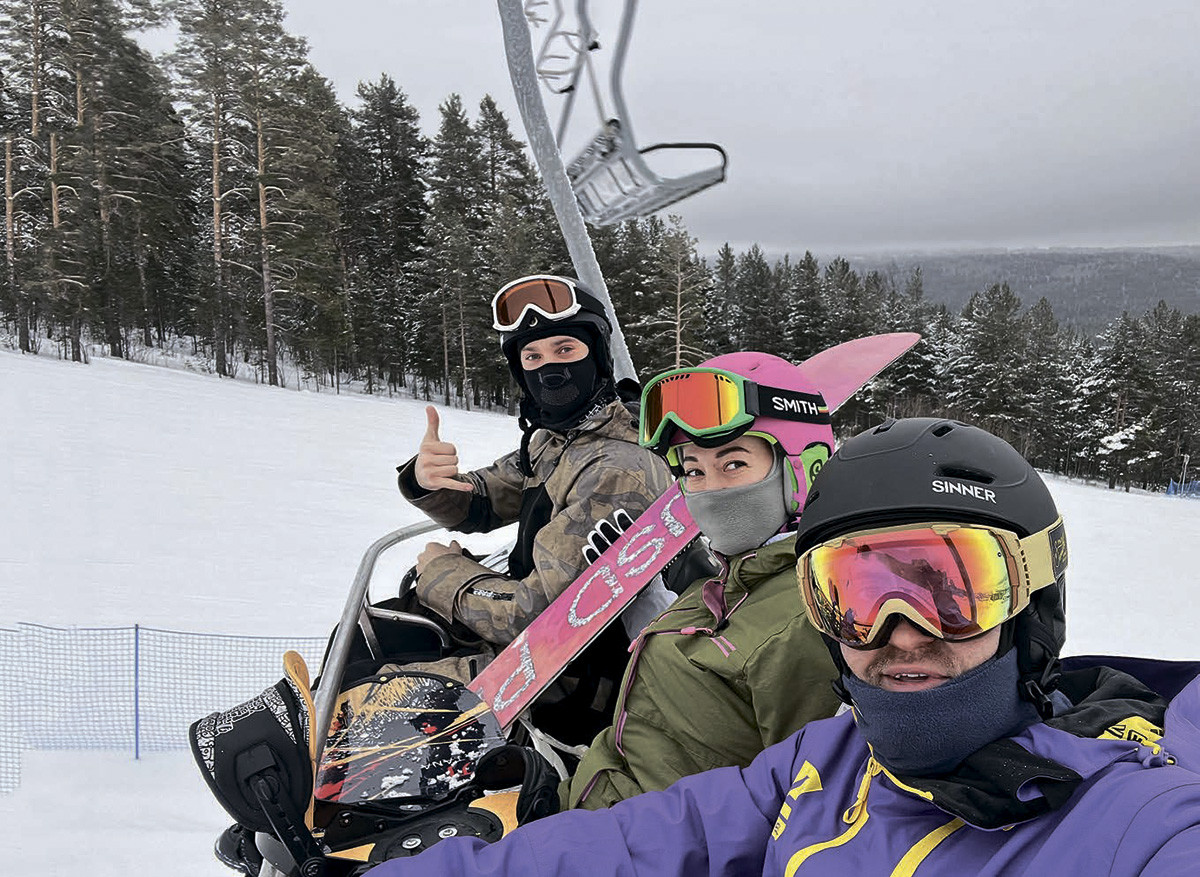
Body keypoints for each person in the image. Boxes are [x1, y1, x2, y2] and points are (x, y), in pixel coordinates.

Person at [361, 417, 1200, 876]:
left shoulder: (1133, 826)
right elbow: (633, 844)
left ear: (1032, 603)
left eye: (953, 590)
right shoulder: (825, 762)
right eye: (853, 595)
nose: (899, 632)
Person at [394, 274, 674, 738]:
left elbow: (537, 617)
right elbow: (483, 499)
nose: (549, 369)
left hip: (573, 681)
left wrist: (443, 575)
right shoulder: (560, 440)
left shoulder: (618, 467)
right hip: (537, 661)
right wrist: (428, 481)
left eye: (565, 349)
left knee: (376, 692)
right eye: (533, 357)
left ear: (597, 356)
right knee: (387, 633)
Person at [564, 353, 842, 809]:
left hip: (638, 838)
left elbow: (803, 808)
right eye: (693, 470)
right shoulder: (734, 580)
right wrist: (647, 605)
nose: (709, 488)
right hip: (595, 802)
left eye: (733, 464)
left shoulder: (812, 619)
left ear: (804, 470)